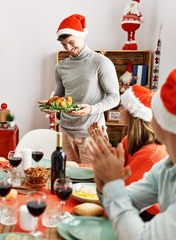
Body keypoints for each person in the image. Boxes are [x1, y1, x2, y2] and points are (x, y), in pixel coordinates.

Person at [87, 68, 176, 239]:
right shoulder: (165, 168)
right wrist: (104, 184)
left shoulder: (154, 156)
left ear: (164, 123)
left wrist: (112, 183)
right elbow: (123, 201)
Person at [89, 84, 168, 221]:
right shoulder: (130, 139)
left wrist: (101, 151)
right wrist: (101, 144)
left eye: (123, 106)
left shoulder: (149, 155)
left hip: (146, 217)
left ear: (133, 114)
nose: (119, 109)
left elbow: (120, 190)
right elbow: (114, 167)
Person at [54, 14, 120, 164]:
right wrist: (50, 104)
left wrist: (91, 109)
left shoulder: (101, 62)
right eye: (64, 45)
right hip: (65, 132)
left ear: (81, 36)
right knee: (66, 179)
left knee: (92, 181)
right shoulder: (61, 67)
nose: (69, 48)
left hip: (92, 133)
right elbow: (59, 96)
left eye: (71, 42)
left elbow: (115, 97)